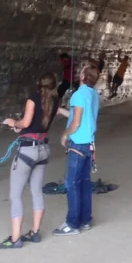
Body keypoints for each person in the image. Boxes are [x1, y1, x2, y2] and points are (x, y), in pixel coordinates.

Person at [0, 73, 64, 249]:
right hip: (43, 149)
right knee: (36, 191)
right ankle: (34, 233)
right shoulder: (55, 101)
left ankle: (15, 238)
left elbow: (26, 122)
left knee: (15, 194)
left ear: (38, 84)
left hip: (28, 150)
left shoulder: (33, 98)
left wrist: (13, 122)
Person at [53, 64, 101, 236]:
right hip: (89, 144)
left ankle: (72, 224)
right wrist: (60, 111)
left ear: (83, 76)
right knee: (85, 183)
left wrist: (64, 135)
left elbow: (76, 122)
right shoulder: (93, 94)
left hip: (78, 144)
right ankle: (85, 220)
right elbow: (81, 116)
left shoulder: (78, 95)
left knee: (72, 183)